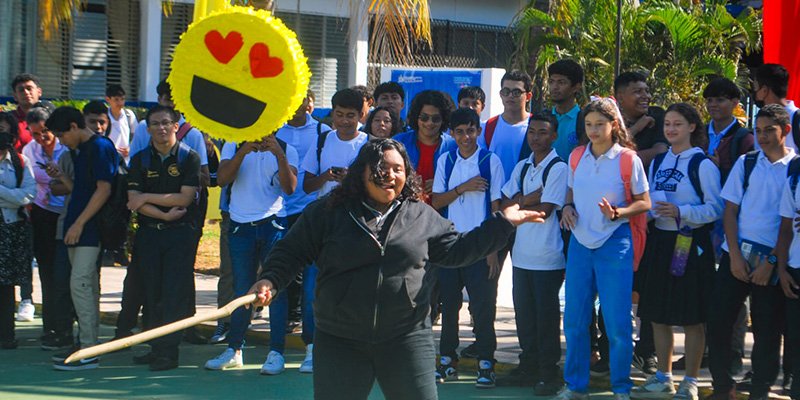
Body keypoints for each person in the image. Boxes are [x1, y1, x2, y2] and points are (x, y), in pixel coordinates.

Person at [247, 138, 544, 400]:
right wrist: (270, 280)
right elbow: (290, 251)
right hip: (340, 340)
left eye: (398, 169)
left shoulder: (421, 216)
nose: (389, 175)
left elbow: (458, 250)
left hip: (406, 338)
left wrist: (502, 223)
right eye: (380, 168)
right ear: (362, 172)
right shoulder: (327, 212)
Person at [558, 99, 651, 400]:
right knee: (574, 320)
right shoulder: (575, 156)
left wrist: (619, 213)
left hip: (615, 243)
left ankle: (621, 387)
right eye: (589, 124)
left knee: (618, 323)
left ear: (614, 125)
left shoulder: (627, 159)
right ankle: (575, 386)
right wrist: (567, 208)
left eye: (600, 123)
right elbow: (570, 192)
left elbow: (644, 202)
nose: (594, 130)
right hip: (580, 244)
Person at [630, 103, 723, 400]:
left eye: (678, 124)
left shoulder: (703, 165)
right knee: (657, 314)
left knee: (692, 317)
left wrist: (681, 211)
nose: (671, 129)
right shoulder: (658, 163)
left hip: (689, 245)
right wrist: (652, 212)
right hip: (660, 243)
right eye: (668, 124)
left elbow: (716, 208)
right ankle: (664, 377)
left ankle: (691, 381)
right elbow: (648, 202)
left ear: (692, 127)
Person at [707, 104, 798, 400]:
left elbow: (787, 225)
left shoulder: (795, 169)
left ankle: (760, 389)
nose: (762, 137)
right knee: (718, 322)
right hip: (736, 257)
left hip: (772, 263)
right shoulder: (747, 162)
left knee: (766, 331)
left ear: (785, 130)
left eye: (769, 130)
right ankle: (723, 386)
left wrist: (772, 262)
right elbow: (730, 211)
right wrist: (733, 255)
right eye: (758, 131)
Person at [204, 128, 298, 374]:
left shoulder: (287, 149)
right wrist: (244, 150)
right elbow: (222, 179)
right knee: (241, 289)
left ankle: (276, 352)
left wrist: (278, 154)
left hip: (274, 224)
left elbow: (290, 188)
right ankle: (234, 350)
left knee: (276, 289)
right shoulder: (233, 144)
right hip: (240, 227)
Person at [430, 108, 505, 388]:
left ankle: (486, 362)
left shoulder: (490, 161)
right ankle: (448, 360)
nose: (465, 136)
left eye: (471, 130)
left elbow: (496, 207)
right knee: (449, 306)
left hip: (481, 245)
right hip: (451, 246)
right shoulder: (446, 161)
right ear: (452, 133)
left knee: (483, 307)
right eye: (459, 131)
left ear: (478, 131)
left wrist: (493, 249)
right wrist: (463, 187)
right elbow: (437, 202)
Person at [126, 105, 201, 371]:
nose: (161, 128)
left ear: (175, 125)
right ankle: (155, 346)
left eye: (166, 123)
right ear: (148, 129)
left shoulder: (188, 157)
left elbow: (185, 197)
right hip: (149, 235)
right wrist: (163, 214)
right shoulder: (139, 160)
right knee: (151, 292)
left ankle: (169, 353)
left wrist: (146, 197)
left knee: (173, 294)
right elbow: (133, 201)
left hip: (179, 237)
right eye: (155, 124)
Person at [499, 112, 568, 395]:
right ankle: (527, 367)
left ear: (553, 136)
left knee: (546, 318)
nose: (536, 137)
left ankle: (548, 373)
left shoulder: (559, 168)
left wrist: (520, 205)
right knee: (525, 316)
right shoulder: (523, 166)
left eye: (542, 132)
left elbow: (547, 210)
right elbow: (505, 204)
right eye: (532, 132)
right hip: (522, 255)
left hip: (549, 257)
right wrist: (530, 198)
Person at [45, 106, 118, 371]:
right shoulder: (79, 151)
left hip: (90, 229)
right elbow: (82, 190)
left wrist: (78, 223)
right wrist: (61, 176)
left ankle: (90, 350)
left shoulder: (100, 147)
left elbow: (104, 189)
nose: (60, 140)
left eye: (62, 134)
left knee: (82, 285)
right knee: (81, 287)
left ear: (74, 127)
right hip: (77, 227)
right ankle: (85, 345)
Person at [607, 71, 667, 376]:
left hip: (650, 221)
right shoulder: (608, 121)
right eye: (636, 92)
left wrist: (640, 149)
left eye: (646, 90)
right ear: (619, 97)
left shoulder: (658, 117)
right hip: (614, 221)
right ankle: (612, 353)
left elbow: (658, 153)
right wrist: (639, 131)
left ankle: (647, 352)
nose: (644, 97)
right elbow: (611, 156)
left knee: (647, 291)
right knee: (614, 292)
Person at [270, 89, 332, 371]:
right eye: (291, 101)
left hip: (313, 215)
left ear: (311, 103)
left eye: (303, 101)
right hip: (283, 213)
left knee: (311, 285)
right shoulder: (276, 133)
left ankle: (312, 347)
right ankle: (276, 349)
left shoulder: (324, 133)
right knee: (280, 278)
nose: (297, 106)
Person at [21, 107, 68, 343]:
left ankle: (67, 327)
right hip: (42, 214)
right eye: (35, 134)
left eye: (46, 131)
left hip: (68, 212)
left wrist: (60, 176)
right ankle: (50, 327)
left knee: (66, 272)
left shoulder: (68, 147)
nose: (41, 138)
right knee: (48, 272)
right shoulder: (30, 150)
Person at [0, 111, 36, 350]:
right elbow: (17, 196)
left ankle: (6, 335)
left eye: (4, 130)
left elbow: (28, 195)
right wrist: (10, 196)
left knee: (5, 285)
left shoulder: (22, 162)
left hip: (11, 230)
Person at [302, 88, 369, 199]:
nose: (344, 120)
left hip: (357, 212)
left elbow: (376, 186)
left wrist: (350, 179)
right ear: (332, 114)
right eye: (339, 114)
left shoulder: (369, 143)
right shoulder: (322, 140)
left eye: (350, 116)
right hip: (326, 211)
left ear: (361, 115)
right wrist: (325, 176)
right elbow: (307, 187)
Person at [394, 90, 457, 202]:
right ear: (416, 117)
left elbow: (465, 179)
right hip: (406, 211)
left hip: (443, 214)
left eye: (436, 118)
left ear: (443, 120)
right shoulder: (399, 142)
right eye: (424, 117)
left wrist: (442, 184)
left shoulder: (454, 146)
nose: (429, 123)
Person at [776, 143, 800, 400]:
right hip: (795, 268)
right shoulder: (794, 180)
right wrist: (781, 269)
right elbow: (785, 229)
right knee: (793, 338)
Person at [479, 70, 533, 182]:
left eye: (516, 92)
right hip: (493, 195)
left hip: (525, 195)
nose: (510, 96)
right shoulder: (487, 127)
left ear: (528, 96)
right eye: (506, 91)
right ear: (500, 94)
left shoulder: (536, 127)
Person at [753, 64, 798, 152]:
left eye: (755, 87)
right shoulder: (760, 117)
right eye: (758, 131)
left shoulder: (796, 118)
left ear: (764, 90)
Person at [547, 59, 584, 160]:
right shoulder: (544, 118)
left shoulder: (584, 121)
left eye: (561, 82)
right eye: (551, 82)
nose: (554, 87)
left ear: (576, 87)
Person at [104, 84, 137, 163]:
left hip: (126, 161)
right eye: (116, 99)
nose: (120, 103)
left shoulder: (129, 115)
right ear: (108, 99)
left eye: (122, 99)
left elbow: (136, 135)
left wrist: (130, 148)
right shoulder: (104, 117)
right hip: (108, 159)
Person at [10, 73, 42, 151]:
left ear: (39, 92)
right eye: (21, 90)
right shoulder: (8, 120)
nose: (26, 92)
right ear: (15, 96)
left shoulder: (51, 117)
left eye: (29, 88)